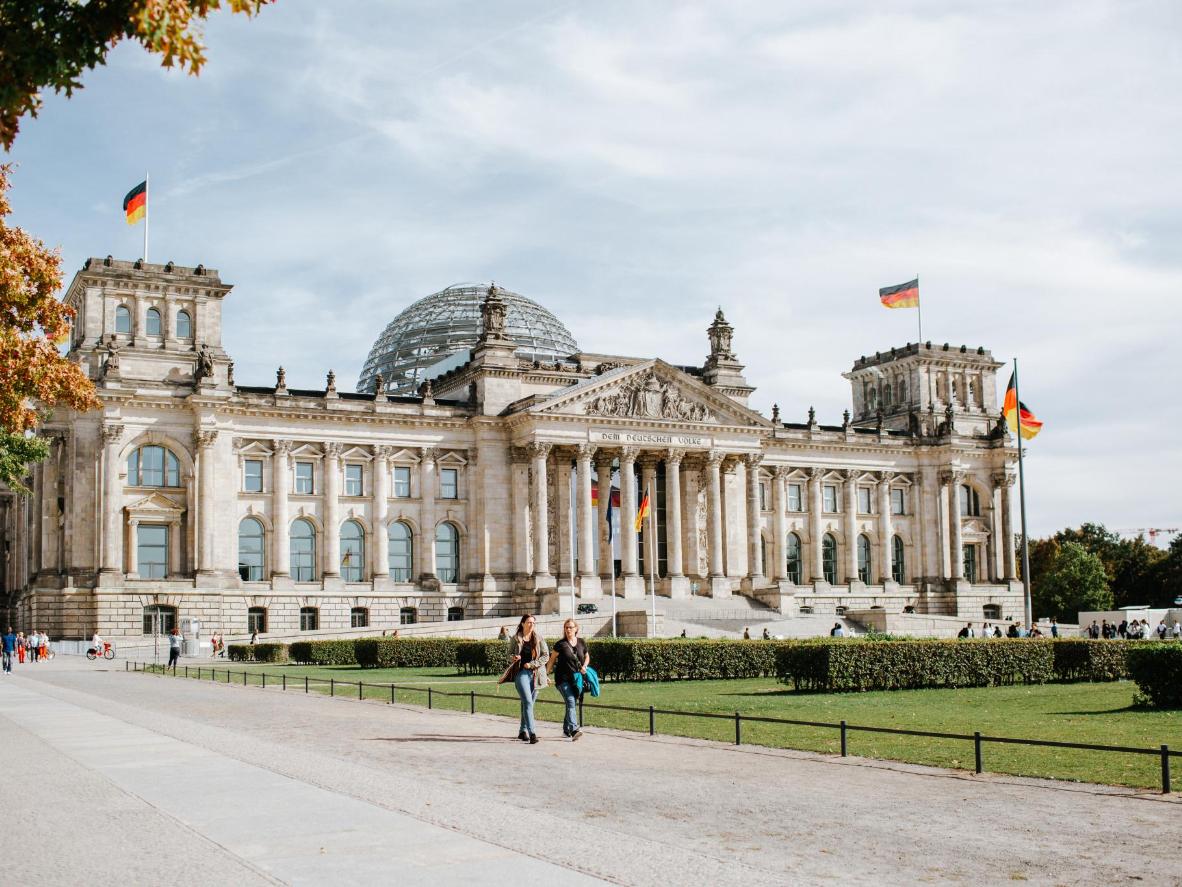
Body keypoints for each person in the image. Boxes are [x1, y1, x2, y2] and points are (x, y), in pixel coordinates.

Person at [508, 614, 548, 744]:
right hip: (522, 674)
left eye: (533, 623)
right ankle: (532, 733)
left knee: (527, 703)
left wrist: (532, 664)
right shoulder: (515, 638)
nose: (531, 625)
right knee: (528, 702)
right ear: (523, 623)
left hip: (536, 674)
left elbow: (546, 656)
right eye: (529, 622)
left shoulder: (539, 638)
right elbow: (509, 654)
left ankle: (522, 730)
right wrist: (514, 657)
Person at [549, 618, 589, 741]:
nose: (568, 629)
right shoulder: (560, 644)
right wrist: (546, 675)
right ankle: (574, 729)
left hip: (576, 679)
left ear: (576, 629)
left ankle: (566, 731)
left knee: (571, 703)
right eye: (566, 627)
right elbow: (551, 660)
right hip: (562, 679)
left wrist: (585, 666)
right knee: (571, 701)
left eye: (570, 627)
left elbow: (587, 656)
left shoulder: (581, 642)